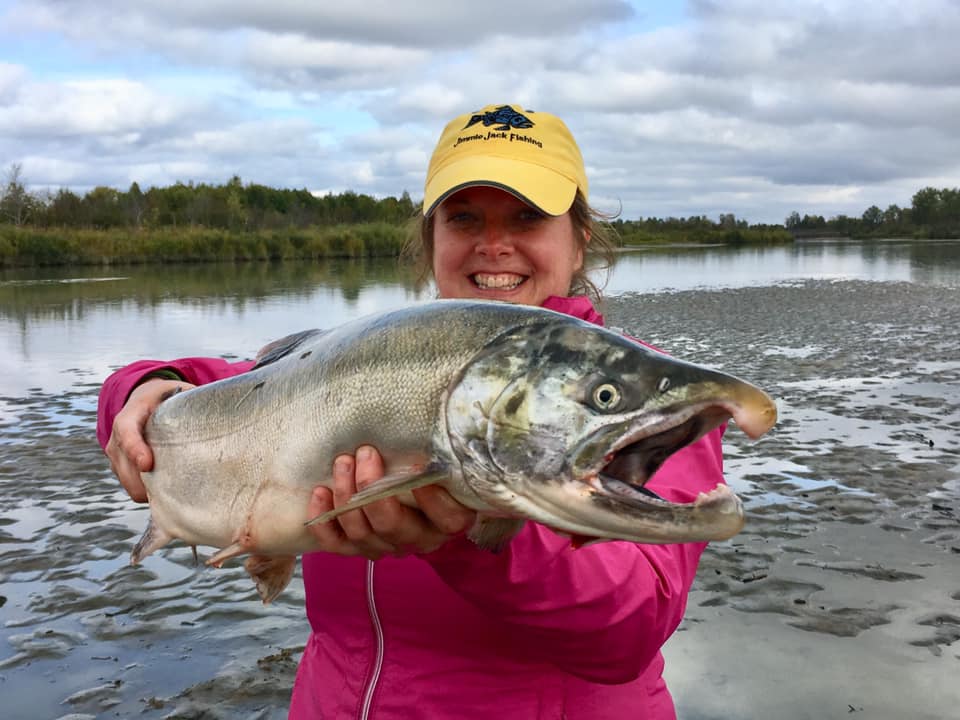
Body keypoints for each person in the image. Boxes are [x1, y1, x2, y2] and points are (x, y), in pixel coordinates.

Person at [97, 103, 728, 719]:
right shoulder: (380, 350)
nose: (494, 244)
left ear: (579, 239)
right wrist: (140, 387)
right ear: (431, 238)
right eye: (463, 218)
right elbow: (248, 386)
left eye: (527, 217)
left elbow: (628, 627)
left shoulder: (638, 397)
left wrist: (465, 536)